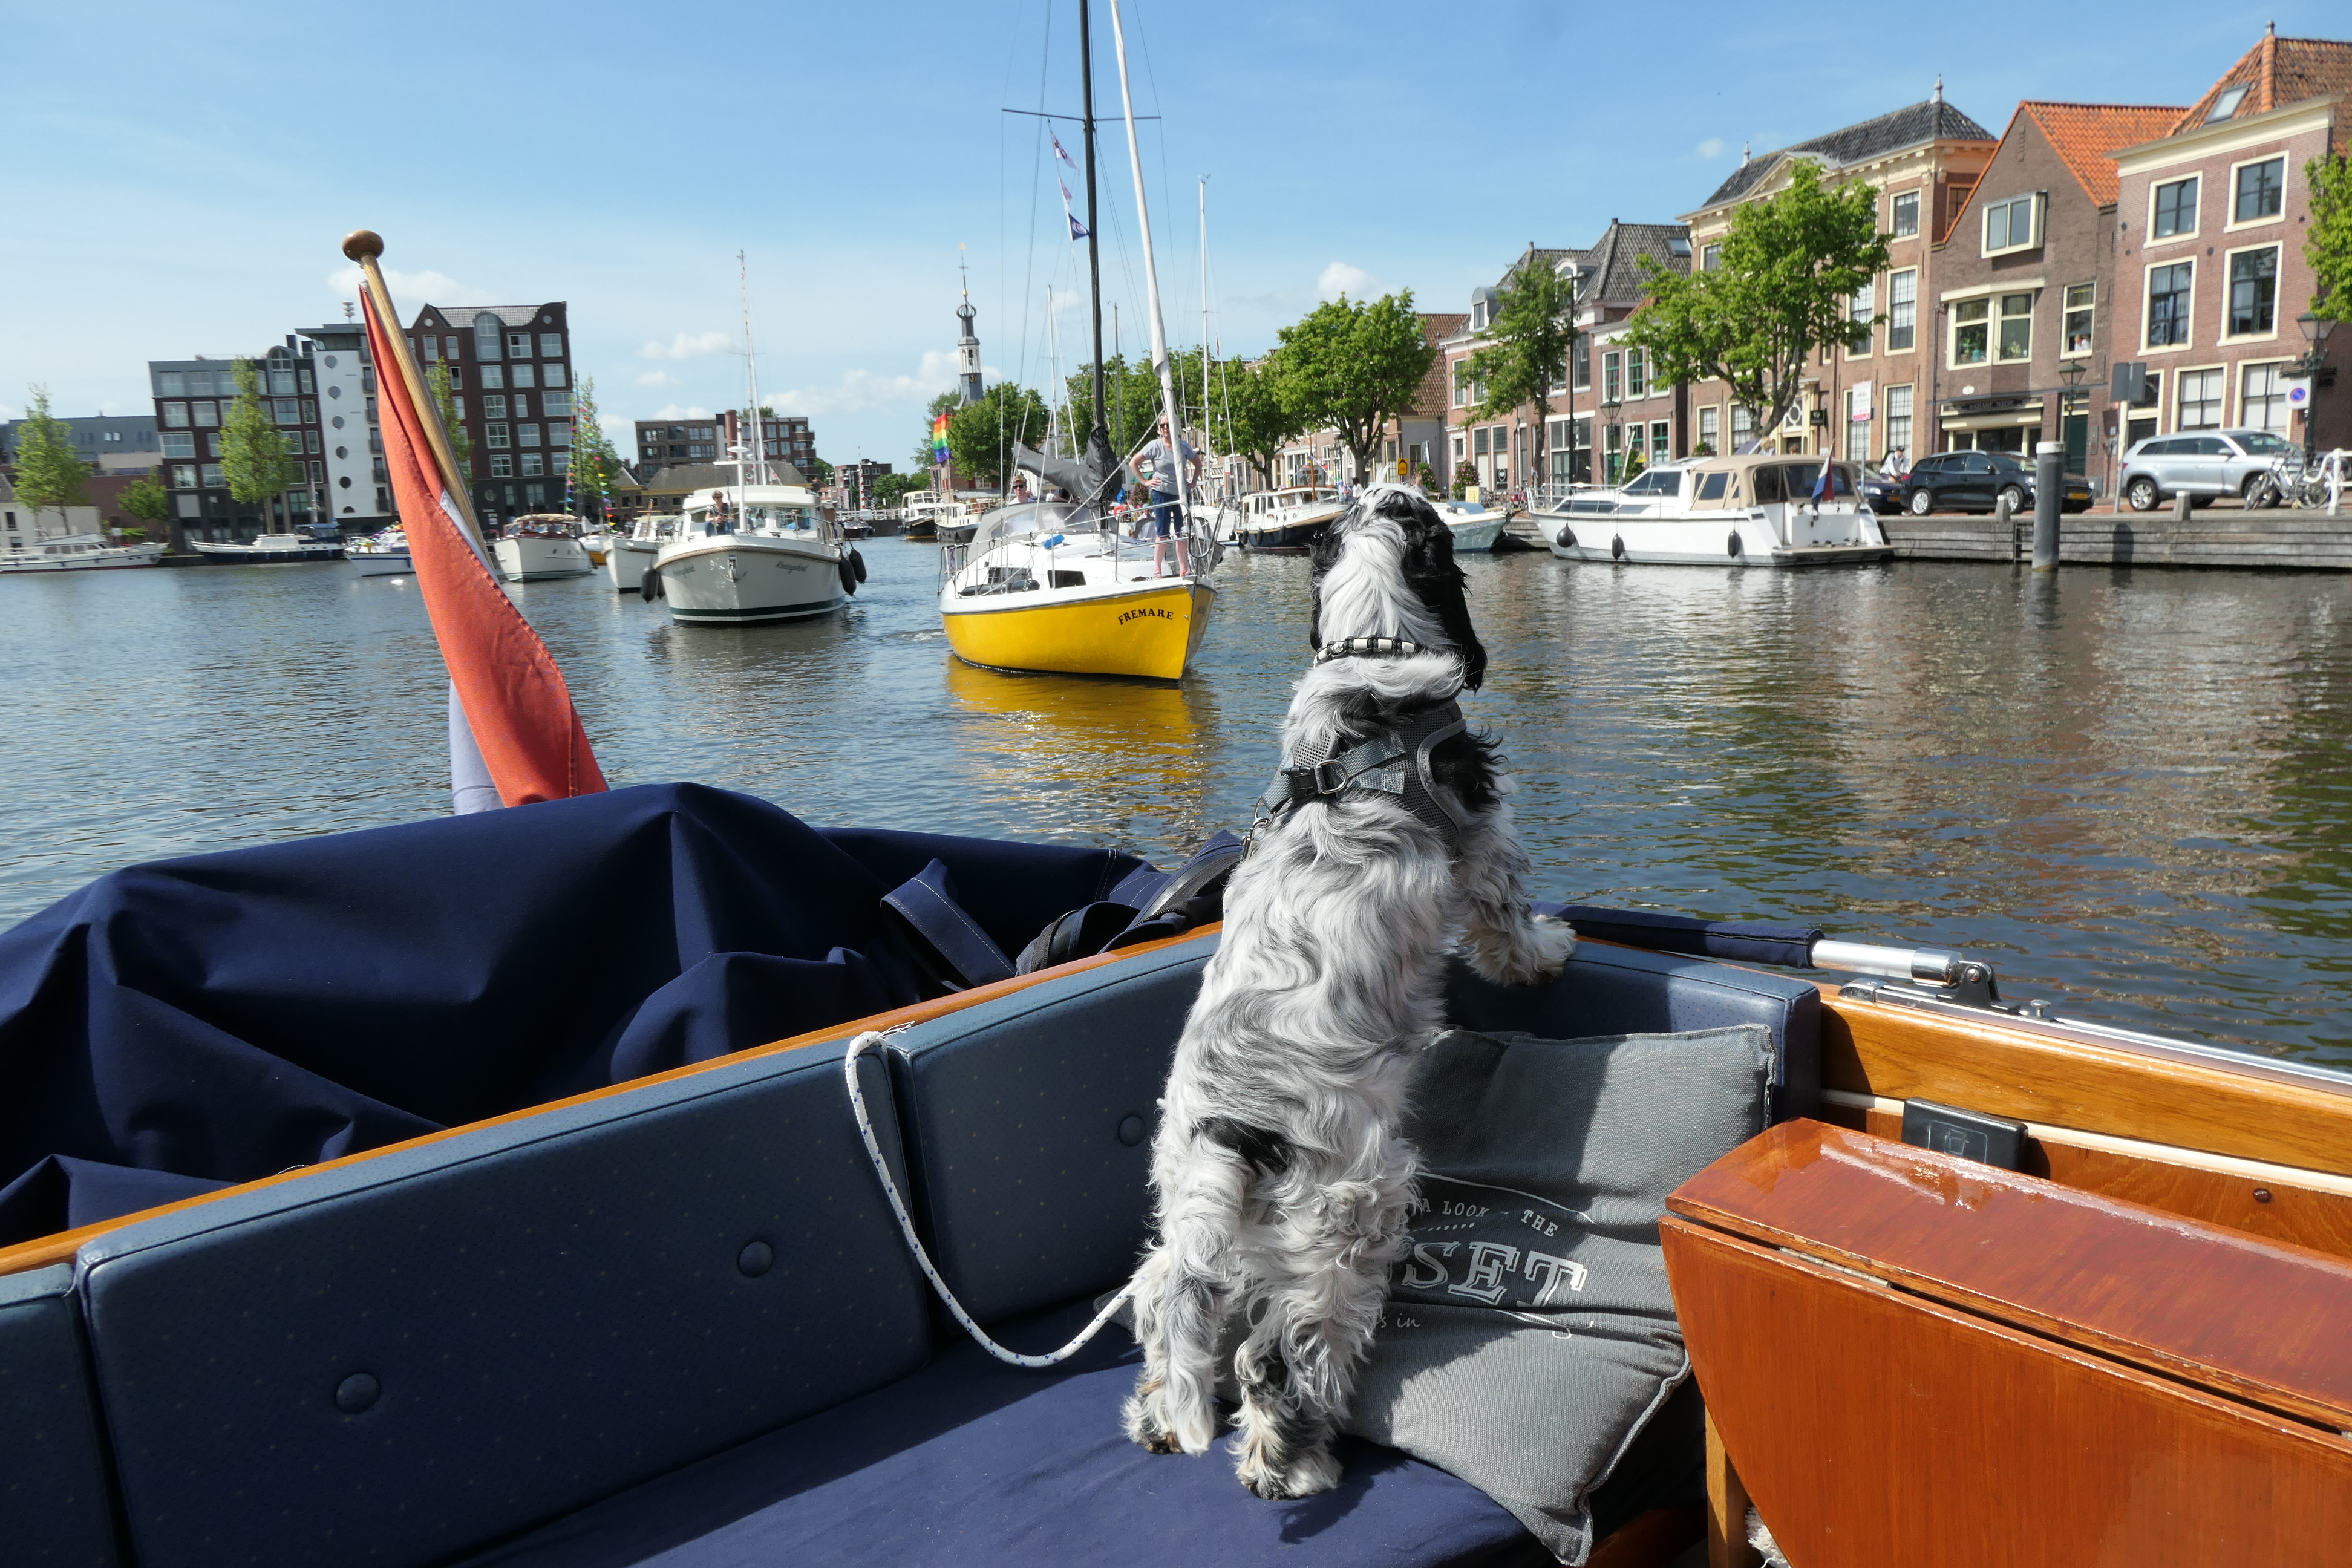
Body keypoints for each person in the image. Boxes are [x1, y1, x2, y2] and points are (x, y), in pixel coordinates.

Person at [1135, 417, 1198, 577]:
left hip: (1181, 495)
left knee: (1181, 532)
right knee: (1162, 532)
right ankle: (1158, 569)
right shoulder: (1155, 446)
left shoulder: (1183, 447)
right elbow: (1133, 463)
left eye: (1168, 425)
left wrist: (1193, 482)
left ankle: (1183, 568)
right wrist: (1145, 481)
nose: (1165, 428)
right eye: (1162, 425)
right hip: (1161, 493)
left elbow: (1198, 464)